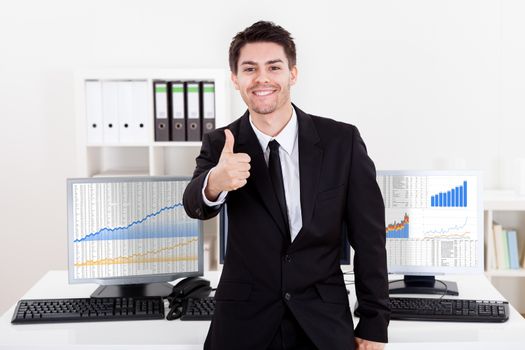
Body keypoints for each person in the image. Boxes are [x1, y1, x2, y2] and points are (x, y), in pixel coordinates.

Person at [183, 21, 390, 350]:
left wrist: (374, 321)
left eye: (274, 67)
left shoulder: (342, 142)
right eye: (249, 69)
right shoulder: (222, 143)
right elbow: (194, 204)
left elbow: (370, 241)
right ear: (235, 79)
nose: (262, 78)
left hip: (322, 320)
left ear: (292, 74)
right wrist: (215, 182)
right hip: (243, 322)